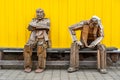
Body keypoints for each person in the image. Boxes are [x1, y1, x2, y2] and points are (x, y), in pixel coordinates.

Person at [23, 8, 50, 73]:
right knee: (27, 47)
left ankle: (41, 67)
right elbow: (29, 28)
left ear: (43, 14)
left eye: (40, 13)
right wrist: (36, 25)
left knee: (41, 48)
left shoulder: (47, 20)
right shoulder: (33, 20)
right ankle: (27, 66)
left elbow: (47, 27)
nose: (39, 14)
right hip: (32, 38)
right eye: (37, 13)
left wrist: (35, 26)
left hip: (42, 38)